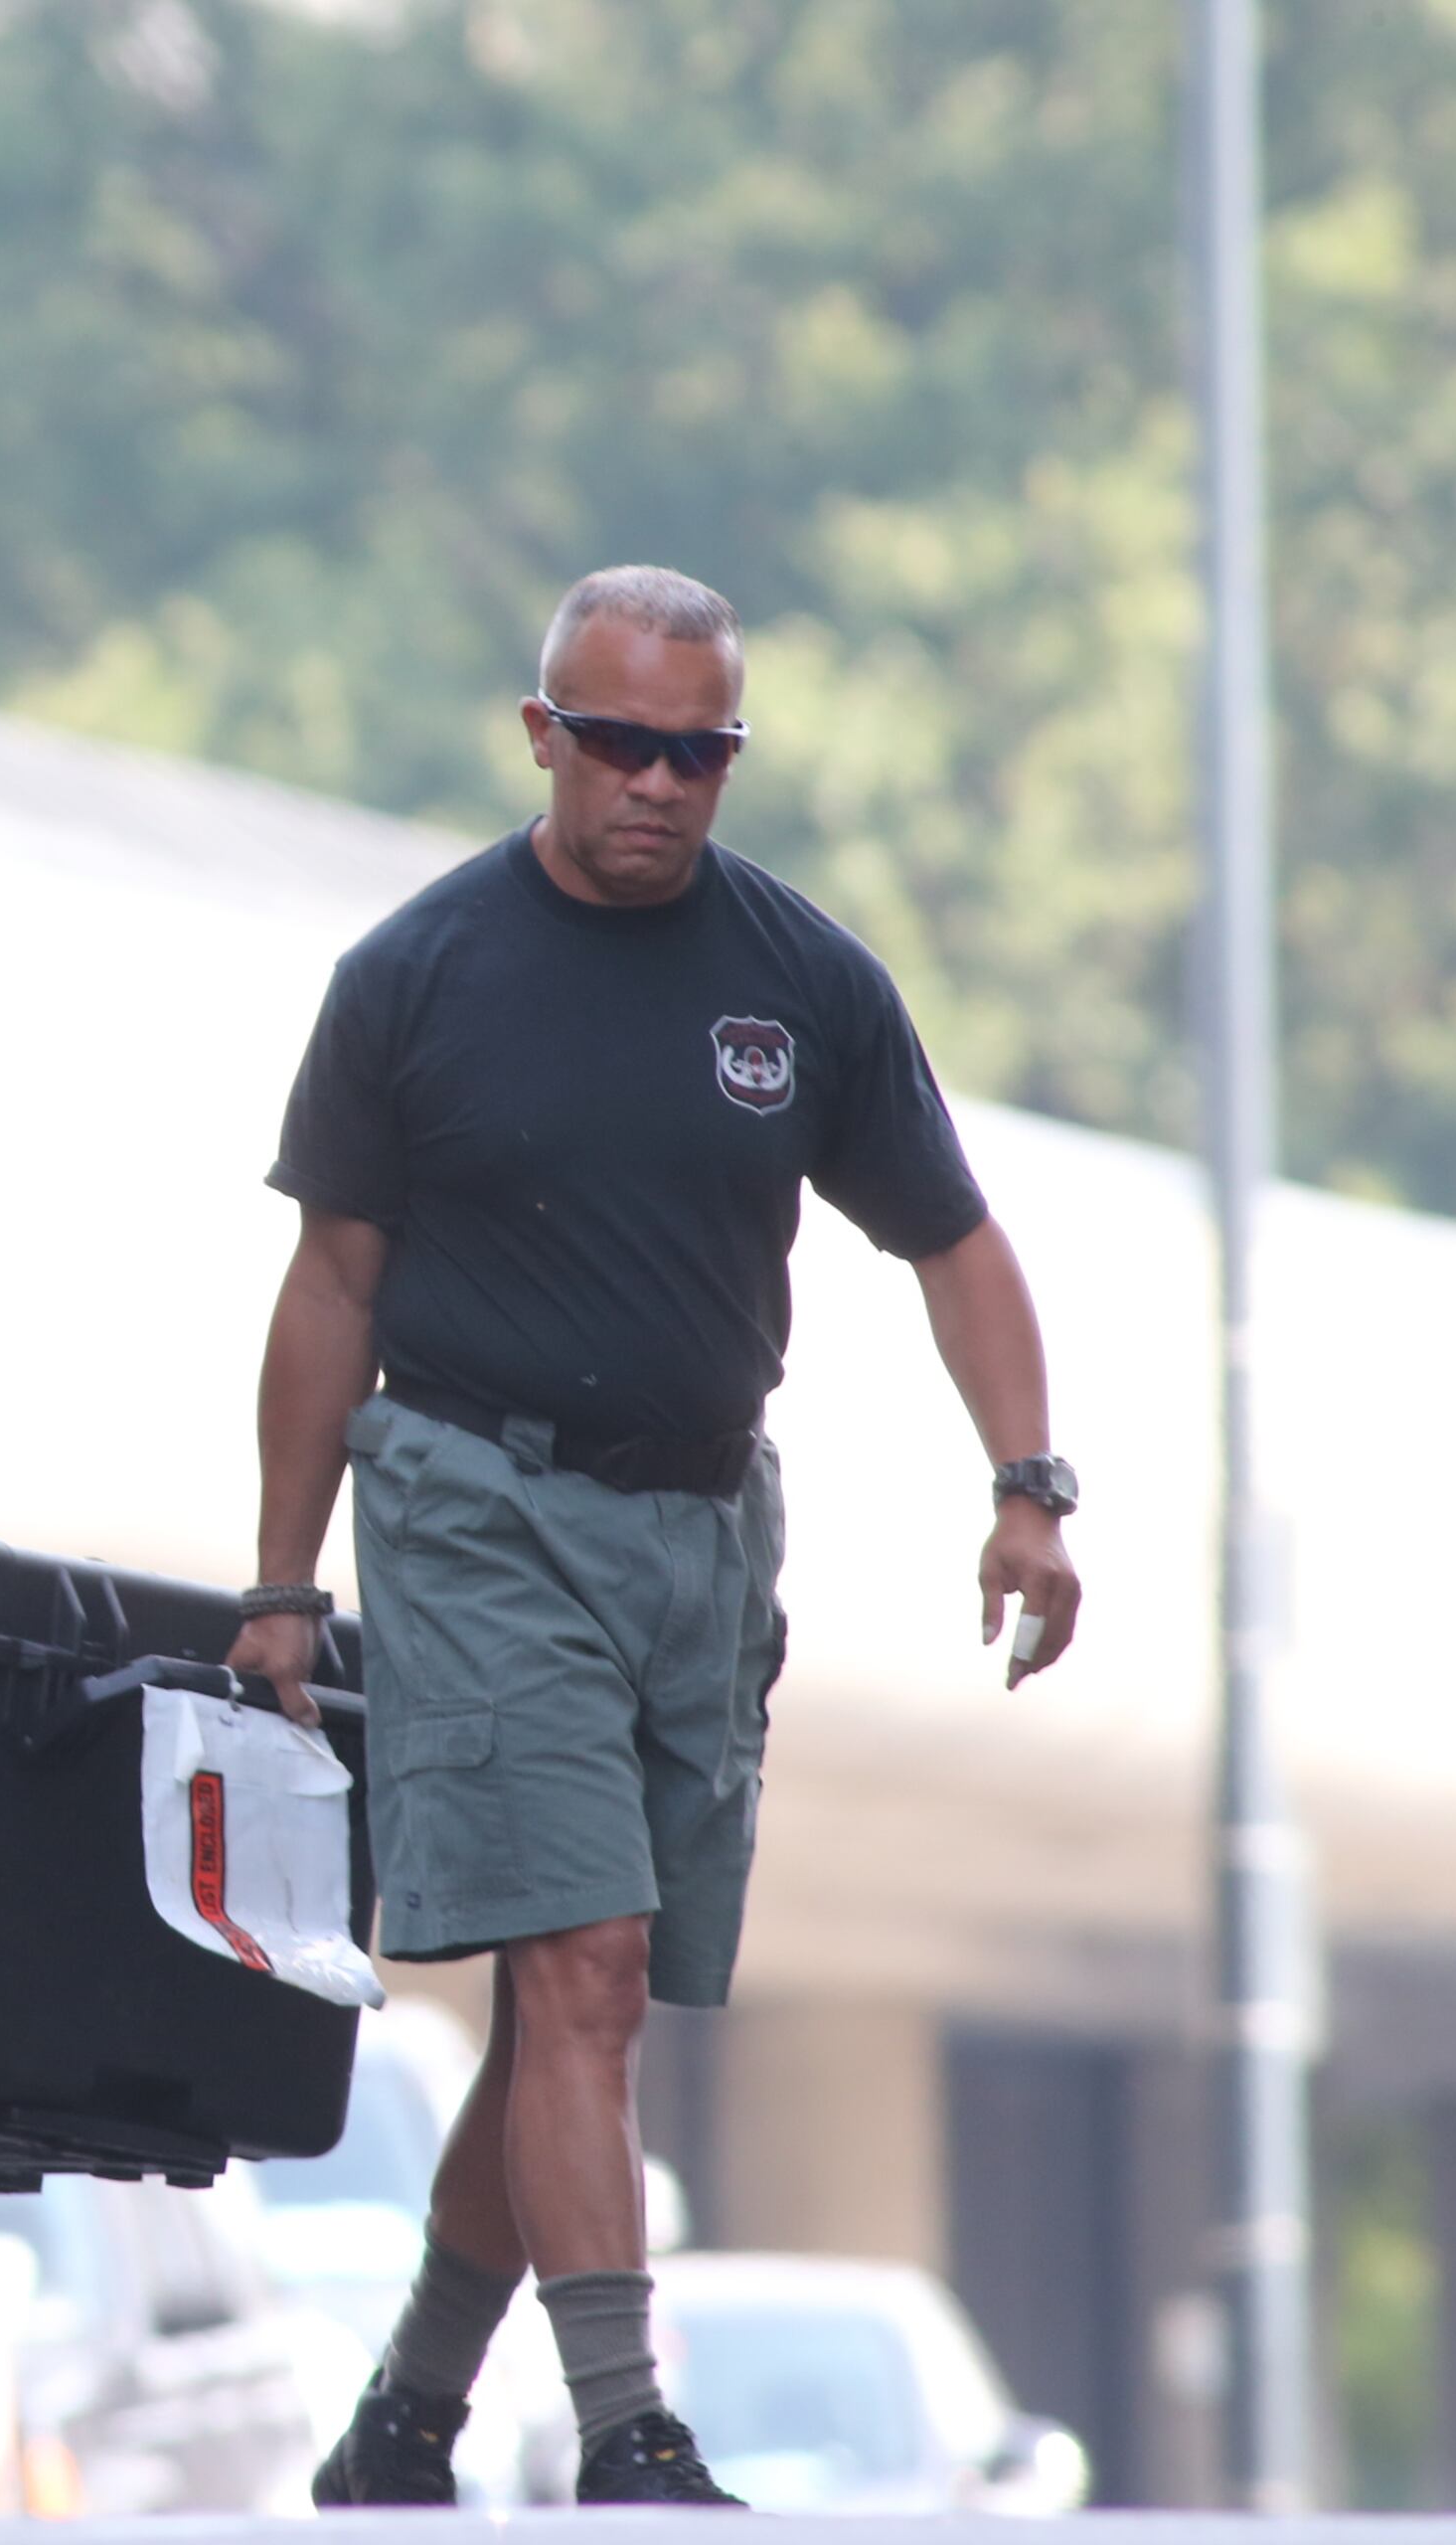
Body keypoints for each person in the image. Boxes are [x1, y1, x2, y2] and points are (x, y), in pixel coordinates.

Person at [227, 566, 1082, 2510]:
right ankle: (633, 2432)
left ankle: (405, 2421)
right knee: (587, 1964)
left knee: (568, 2007)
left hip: (700, 1524)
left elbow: (954, 1239)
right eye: (618, 742)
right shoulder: (417, 973)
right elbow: (329, 1284)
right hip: (469, 1497)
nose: (658, 785)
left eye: (698, 752)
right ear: (543, 735)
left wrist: (1028, 1482)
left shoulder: (805, 979)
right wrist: (285, 1581)